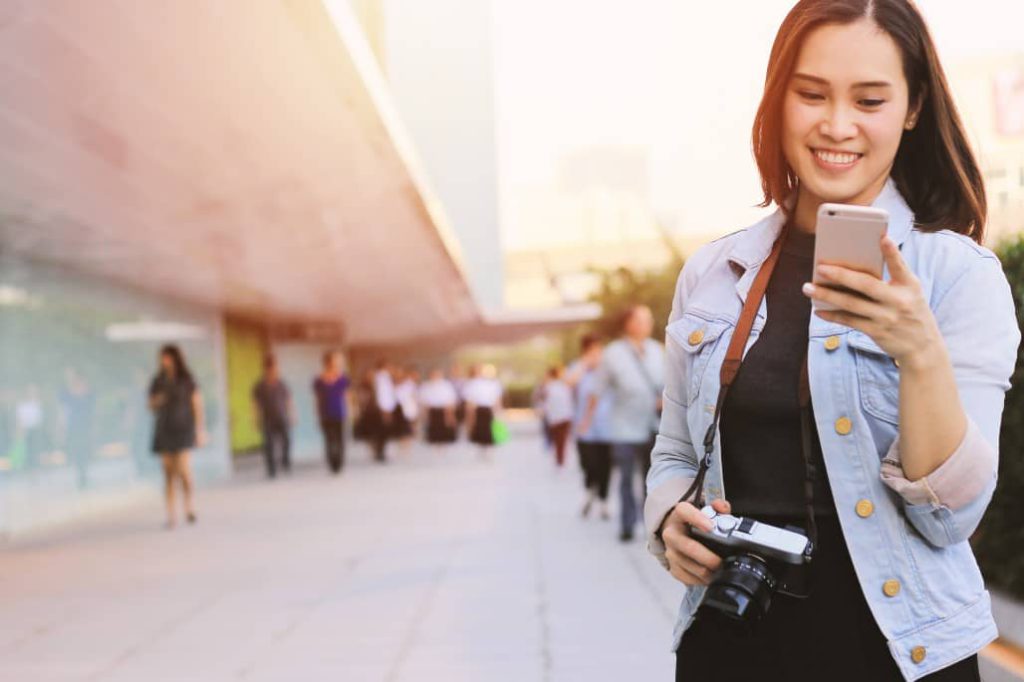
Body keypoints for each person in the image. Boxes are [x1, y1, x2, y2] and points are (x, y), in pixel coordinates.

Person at [646, 2, 1019, 680]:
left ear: (912, 109)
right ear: (777, 100)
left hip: (898, 652)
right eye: (811, 94)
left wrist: (921, 351)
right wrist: (668, 518)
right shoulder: (714, 271)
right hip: (732, 640)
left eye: (870, 99)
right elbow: (674, 446)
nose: (837, 125)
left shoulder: (958, 276)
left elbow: (951, 518)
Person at [580, 305, 664, 542]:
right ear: (628, 324)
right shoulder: (613, 353)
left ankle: (652, 525)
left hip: (653, 425)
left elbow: (670, 385)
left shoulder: (658, 351)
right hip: (624, 427)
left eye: (648, 320)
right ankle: (627, 524)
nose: (646, 324)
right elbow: (596, 389)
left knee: (653, 478)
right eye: (641, 320)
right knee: (626, 477)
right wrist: (586, 421)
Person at [149, 345, 206, 529]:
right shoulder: (158, 381)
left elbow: (197, 404)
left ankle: (189, 507)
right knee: (168, 474)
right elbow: (150, 405)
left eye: (166, 357)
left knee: (183, 470)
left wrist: (199, 430)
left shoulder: (187, 379)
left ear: (174, 358)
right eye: (161, 358)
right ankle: (171, 515)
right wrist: (159, 399)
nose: (163, 361)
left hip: (183, 430)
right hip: (164, 430)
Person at [568, 335, 612, 519]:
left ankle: (603, 502)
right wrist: (585, 364)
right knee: (588, 464)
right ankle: (589, 491)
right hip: (584, 429)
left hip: (608, 427)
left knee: (605, 466)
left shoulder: (607, 369)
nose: (597, 354)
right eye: (592, 350)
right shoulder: (579, 368)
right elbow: (569, 382)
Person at [252, 354, 293, 478]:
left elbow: (288, 400)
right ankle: (271, 469)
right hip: (267, 419)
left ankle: (285, 461)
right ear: (267, 369)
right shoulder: (259, 386)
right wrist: (255, 419)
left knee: (286, 440)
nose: (276, 370)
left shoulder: (282, 383)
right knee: (268, 444)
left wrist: (292, 415)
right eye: (273, 368)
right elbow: (254, 404)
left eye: (276, 368)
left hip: (282, 417)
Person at [312, 350, 350, 474]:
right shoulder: (319, 380)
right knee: (329, 440)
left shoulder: (342, 379)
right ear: (327, 363)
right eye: (334, 361)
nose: (337, 364)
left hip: (340, 413)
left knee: (340, 440)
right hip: (325, 414)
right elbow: (317, 398)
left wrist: (350, 412)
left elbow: (347, 396)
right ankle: (332, 463)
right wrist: (317, 414)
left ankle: (339, 463)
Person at [464, 364, 503, 459]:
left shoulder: (494, 384)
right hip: (479, 409)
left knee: (490, 429)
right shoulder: (473, 384)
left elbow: (497, 399)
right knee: (479, 429)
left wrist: (498, 411)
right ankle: (481, 448)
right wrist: (470, 413)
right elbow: (471, 400)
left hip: (488, 409)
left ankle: (489, 449)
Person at [540, 366, 574, 468]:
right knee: (560, 440)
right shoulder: (559, 386)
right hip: (561, 417)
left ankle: (560, 459)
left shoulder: (552, 386)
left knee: (559, 440)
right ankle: (560, 459)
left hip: (558, 417)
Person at [419, 368, 458, 450]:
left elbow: (451, 401)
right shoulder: (425, 386)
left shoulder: (447, 386)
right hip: (431, 411)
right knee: (432, 432)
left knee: (444, 432)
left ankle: (443, 448)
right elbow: (423, 402)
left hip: (444, 411)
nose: (435, 377)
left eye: (437, 374)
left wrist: (450, 416)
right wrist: (424, 415)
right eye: (433, 374)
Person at [370, 360, 396, 463]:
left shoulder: (384, 378)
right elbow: (382, 395)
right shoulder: (382, 378)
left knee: (382, 432)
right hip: (383, 409)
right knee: (382, 432)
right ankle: (380, 453)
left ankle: (380, 452)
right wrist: (385, 411)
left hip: (385, 408)